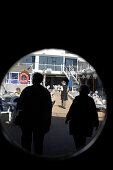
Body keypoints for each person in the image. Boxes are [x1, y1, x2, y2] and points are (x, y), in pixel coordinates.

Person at [15, 73, 52, 155]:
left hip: (26, 120)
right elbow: (48, 110)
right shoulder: (45, 92)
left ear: (32, 79)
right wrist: (48, 124)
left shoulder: (26, 90)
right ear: (41, 80)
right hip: (40, 122)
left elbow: (19, 105)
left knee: (25, 143)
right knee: (38, 145)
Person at [65, 85, 99, 150]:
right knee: (83, 139)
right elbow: (94, 112)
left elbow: (72, 110)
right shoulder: (90, 100)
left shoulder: (77, 99)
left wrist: (67, 118)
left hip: (76, 122)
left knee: (77, 138)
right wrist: (96, 123)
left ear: (80, 91)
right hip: (86, 123)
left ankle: (78, 148)